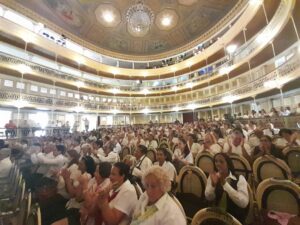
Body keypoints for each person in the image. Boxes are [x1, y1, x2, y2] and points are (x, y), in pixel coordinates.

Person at [205, 153, 249, 223]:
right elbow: (209, 197)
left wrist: (225, 184)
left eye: (221, 161)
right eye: (216, 161)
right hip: (216, 215)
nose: (218, 164)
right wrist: (213, 185)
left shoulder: (239, 178)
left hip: (234, 218)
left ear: (228, 164)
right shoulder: (213, 176)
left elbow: (243, 203)